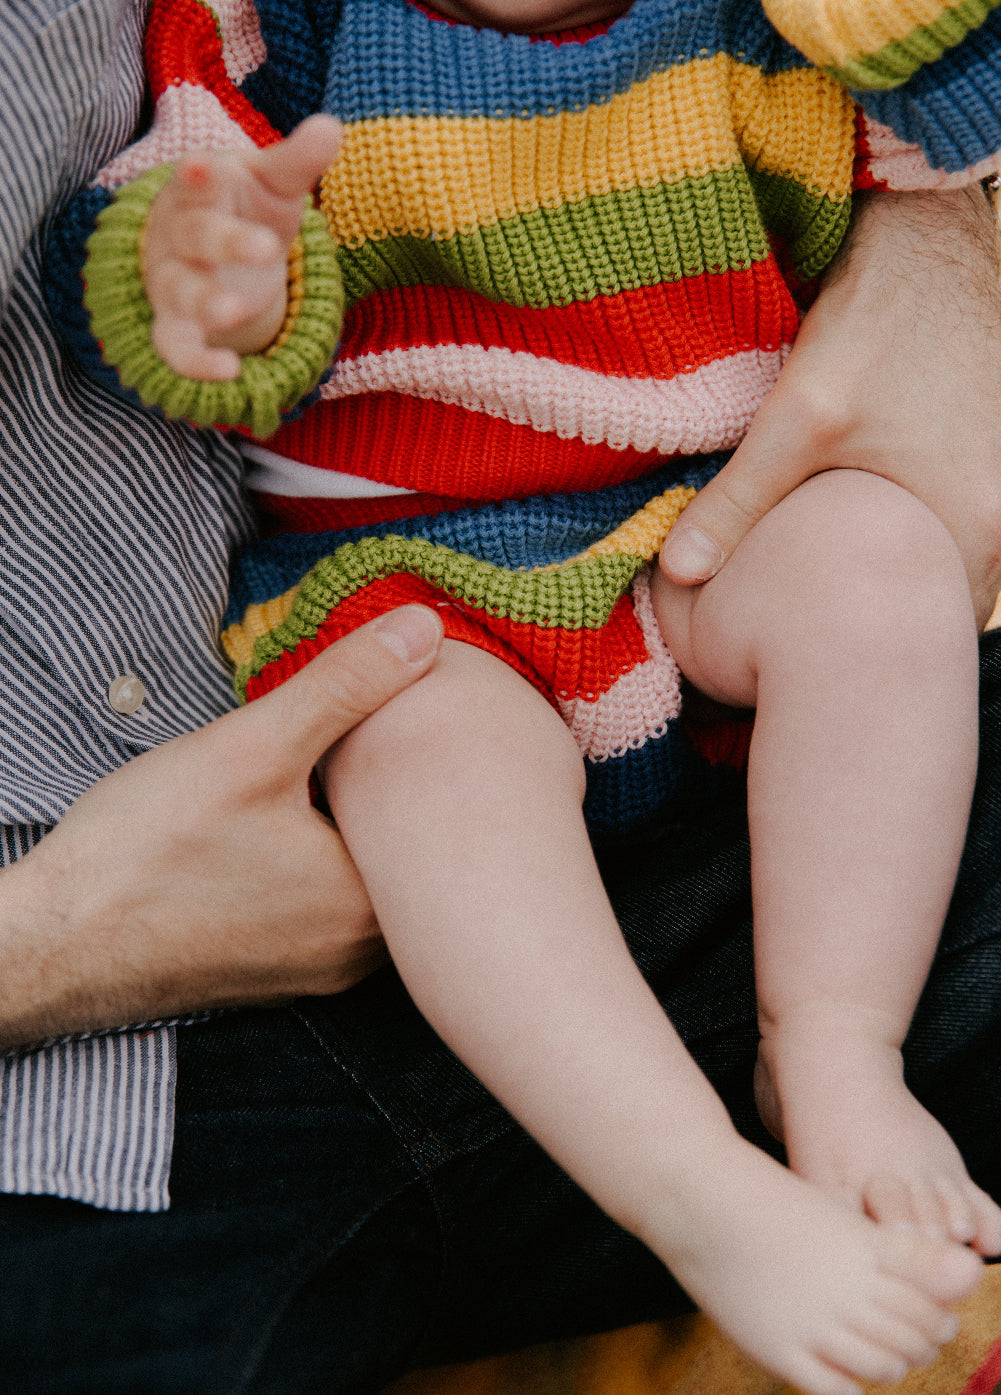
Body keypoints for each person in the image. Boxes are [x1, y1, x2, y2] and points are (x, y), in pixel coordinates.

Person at [2, 1, 1001, 1391]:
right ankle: (692, 1188)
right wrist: (202, 279)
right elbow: (150, 258)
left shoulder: (758, 22)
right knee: (430, 750)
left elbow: (963, 117)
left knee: (877, 562)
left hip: (710, 528)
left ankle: (835, 1055)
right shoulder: (277, 30)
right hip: (411, 576)